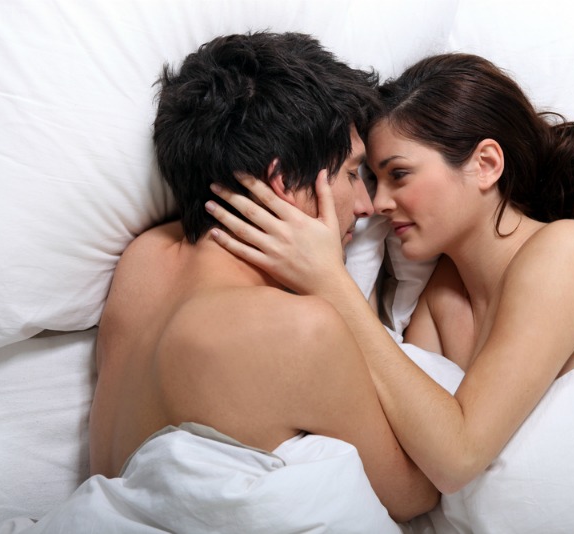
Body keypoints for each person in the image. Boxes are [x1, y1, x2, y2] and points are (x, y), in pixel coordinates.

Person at [206, 52, 574, 531]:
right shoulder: (438, 300)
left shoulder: (567, 253)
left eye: (399, 175)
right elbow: (413, 450)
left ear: (485, 165)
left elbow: (456, 458)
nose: (379, 203)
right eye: (370, 179)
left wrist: (331, 283)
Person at [87, 31, 438, 525]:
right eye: (351, 173)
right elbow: (414, 495)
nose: (364, 205)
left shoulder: (141, 261)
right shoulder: (299, 330)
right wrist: (333, 284)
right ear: (282, 182)